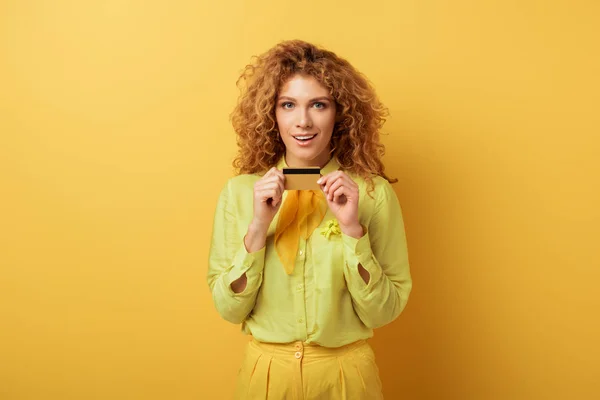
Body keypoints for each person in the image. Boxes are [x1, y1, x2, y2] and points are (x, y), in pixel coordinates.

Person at [207, 39, 412, 400]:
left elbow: (384, 312)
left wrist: (352, 231)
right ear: (272, 114)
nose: (303, 121)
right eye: (288, 105)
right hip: (266, 379)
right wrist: (257, 228)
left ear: (340, 113)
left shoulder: (372, 194)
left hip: (347, 379)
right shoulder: (239, 193)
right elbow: (229, 307)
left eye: (318, 104)